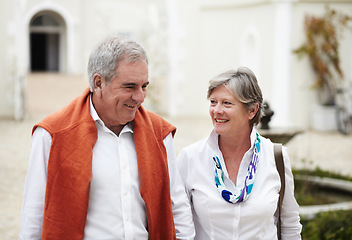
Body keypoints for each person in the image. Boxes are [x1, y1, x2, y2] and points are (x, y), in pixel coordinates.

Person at [19, 36, 195, 240]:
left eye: (144, 86)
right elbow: (34, 215)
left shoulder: (159, 134)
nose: (140, 97)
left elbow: (177, 206)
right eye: (129, 87)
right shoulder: (52, 135)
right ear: (98, 82)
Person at [177, 67, 302, 239]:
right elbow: (180, 225)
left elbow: (290, 224)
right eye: (213, 102)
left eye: (227, 103)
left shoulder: (276, 157)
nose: (216, 110)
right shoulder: (190, 158)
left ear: (252, 110)